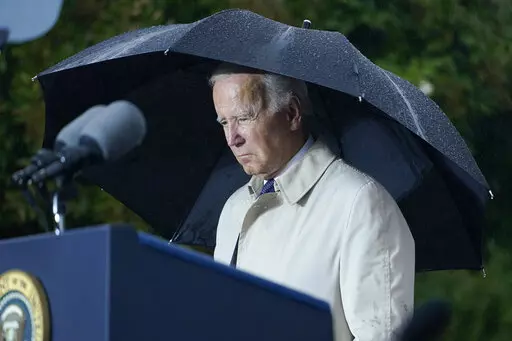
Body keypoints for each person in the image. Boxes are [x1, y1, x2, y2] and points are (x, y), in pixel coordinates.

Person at [209, 62, 415, 341]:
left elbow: (383, 335)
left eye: (244, 118)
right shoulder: (234, 207)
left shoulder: (359, 201)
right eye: (224, 122)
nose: (232, 138)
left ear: (292, 113)